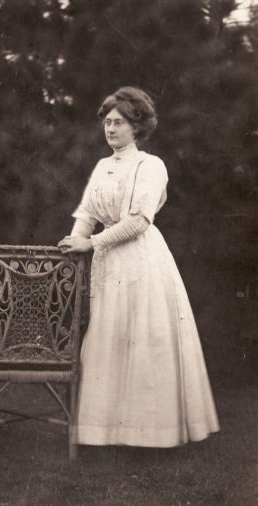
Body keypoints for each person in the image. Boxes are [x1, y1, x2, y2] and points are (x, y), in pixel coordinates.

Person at [58, 86, 219, 447]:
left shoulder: (151, 165)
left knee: (144, 341)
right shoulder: (102, 166)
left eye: (119, 122)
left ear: (137, 127)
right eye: (107, 122)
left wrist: (92, 242)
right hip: (107, 264)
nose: (110, 129)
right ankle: (106, 434)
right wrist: (74, 240)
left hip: (142, 261)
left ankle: (150, 435)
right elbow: (86, 214)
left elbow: (138, 222)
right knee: (108, 339)